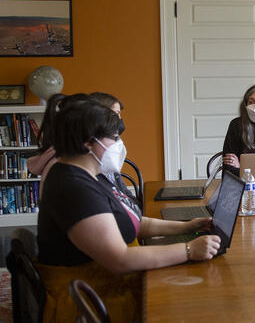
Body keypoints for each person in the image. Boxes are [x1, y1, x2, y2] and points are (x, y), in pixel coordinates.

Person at [36, 95, 220, 321]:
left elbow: (131, 221)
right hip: (89, 300)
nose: (119, 145)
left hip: (101, 285)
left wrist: (186, 227)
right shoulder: (73, 188)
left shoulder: (88, 175)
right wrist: (189, 250)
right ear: (88, 142)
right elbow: (120, 259)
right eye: (113, 138)